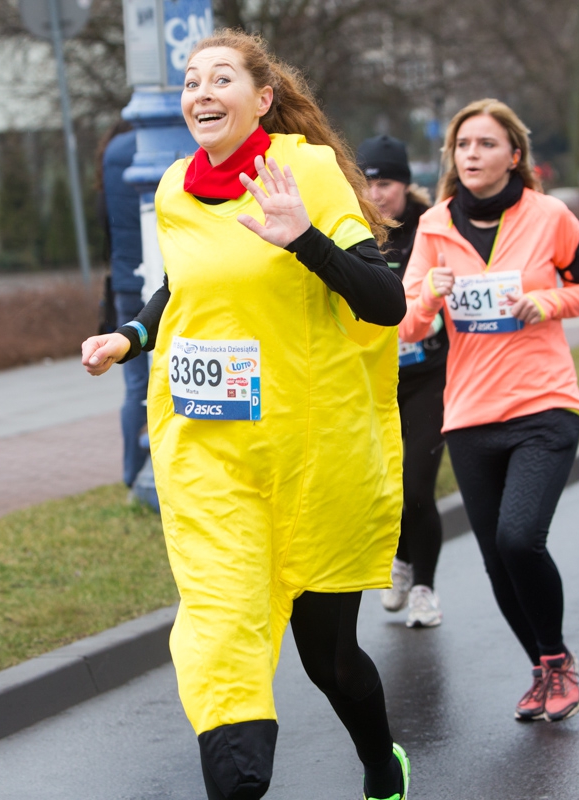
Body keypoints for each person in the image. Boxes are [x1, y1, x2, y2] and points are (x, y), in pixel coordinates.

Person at [79, 31, 410, 800]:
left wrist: (303, 239)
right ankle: (236, 773)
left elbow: (384, 301)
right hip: (216, 456)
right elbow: (185, 293)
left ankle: (378, 762)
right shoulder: (170, 190)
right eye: (191, 80)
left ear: (261, 99)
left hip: (312, 458)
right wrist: (129, 337)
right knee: (221, 615)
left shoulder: (306, 174)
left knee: (327, 658)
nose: (201, 91)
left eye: (220, 77)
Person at [400, 99, 579, 723]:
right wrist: (429, 298)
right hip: (468, 415)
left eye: (486, 145)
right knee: (494, 557)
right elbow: (405, 326)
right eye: (463, 146)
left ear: (515, 155)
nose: (472, 156)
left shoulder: (551, 216)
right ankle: (545, 668)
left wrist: (548, 303)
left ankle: (557, 661)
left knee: (520, 538)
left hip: (544, 403)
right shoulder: (433, 228)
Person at [357, 134, 448, 628]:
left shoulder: (429, 227)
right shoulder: (351, 226)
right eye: (367, 182)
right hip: (374, 380)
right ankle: (401, 560)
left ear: (406, 184)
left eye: (386, 183)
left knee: (416, 486)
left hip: (429, 374)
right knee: (386, 489)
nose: (376, 194)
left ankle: (425, 589)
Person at [99, 122, 151, 492]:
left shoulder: (113, 152)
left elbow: (105, 219)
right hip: (159, 276)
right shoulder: (163, 143)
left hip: (124, 276)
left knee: (135, 388)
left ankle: (132, 473)